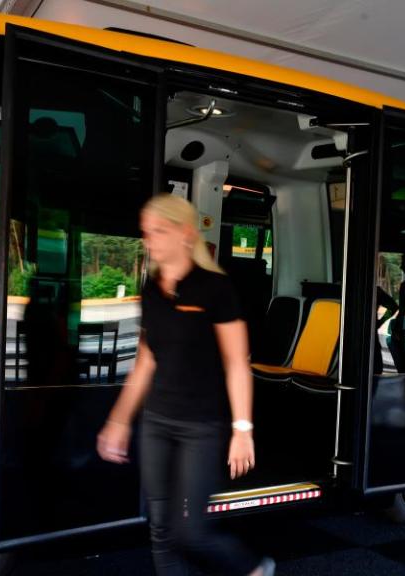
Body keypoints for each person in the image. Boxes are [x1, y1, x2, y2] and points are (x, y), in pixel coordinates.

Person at [97, 194, 275, 576]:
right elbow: (145, 362)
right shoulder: (151, 288)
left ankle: (255, 568)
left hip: (201, 426)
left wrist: (242, 429)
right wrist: (119, 420)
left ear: (186, 234)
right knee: (161, 530)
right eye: (146, 233)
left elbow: (236, 364)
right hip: (157, 422)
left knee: (190, 532)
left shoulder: (215, 289)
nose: (150, 241)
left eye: (159, 231)